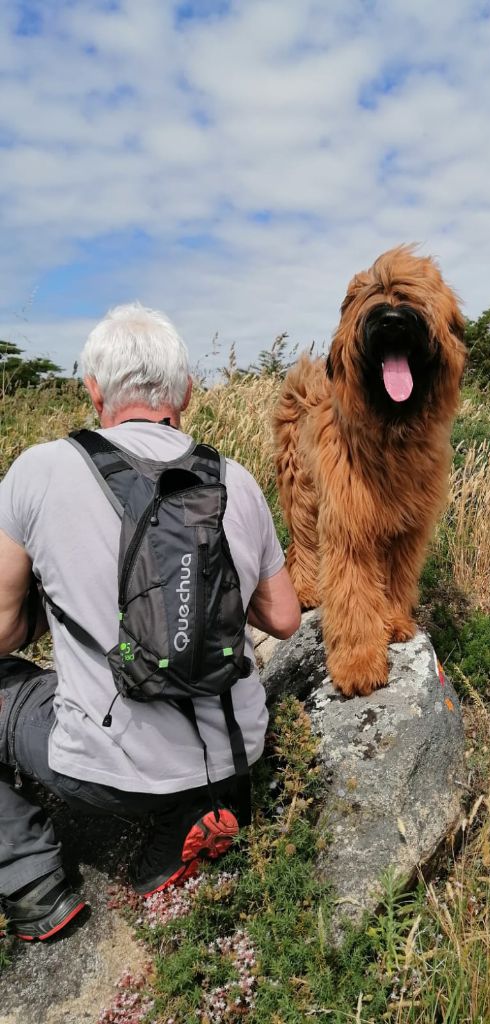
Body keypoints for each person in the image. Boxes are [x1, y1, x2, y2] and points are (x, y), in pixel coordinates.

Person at [0, 303, 301, 941]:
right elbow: (284, 616)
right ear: (186, 393)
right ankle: (186, 817)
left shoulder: (38, 471)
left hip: (108, 770)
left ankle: (32, 883)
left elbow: (2, 634)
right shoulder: (235, 482)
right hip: (235, 752)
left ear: (92, 389)